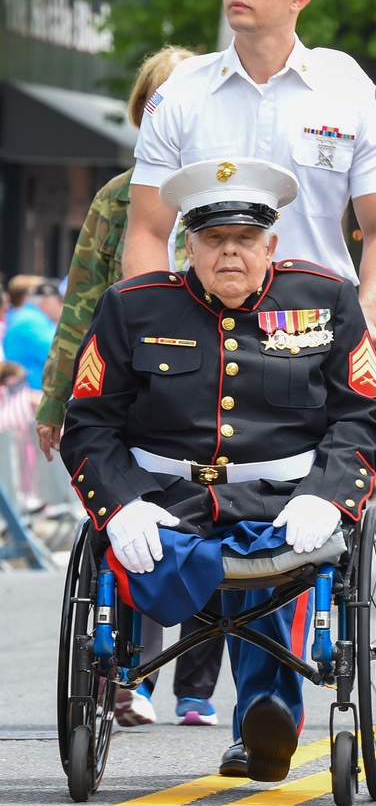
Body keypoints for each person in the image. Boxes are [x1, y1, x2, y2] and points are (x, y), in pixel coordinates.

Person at [59, 157, 376, 781]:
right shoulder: (132, 308)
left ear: (273, 245)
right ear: (189, 245)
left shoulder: (325, 299)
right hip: (166, 500)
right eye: (214, 240)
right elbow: (90, 425)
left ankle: (266, 714)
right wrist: (122, 503)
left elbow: (361, 416)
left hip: (282, 497)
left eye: (245, 240)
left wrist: (327, 496)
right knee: (172, 556)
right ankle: (241, 705)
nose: (229, 253)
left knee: (277, 561)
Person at [35, 45, 227, 729]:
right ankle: (127, 673)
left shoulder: (227, 192)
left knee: (214, 520)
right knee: (134, 523)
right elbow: (82, 302)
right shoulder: (118, 198)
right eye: (159, 102)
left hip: (217, 386)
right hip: (133, 382)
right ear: (145, 113)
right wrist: (57, 398)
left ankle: (198, 687)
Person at [122, 0, 376, 357]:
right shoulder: (182, 90)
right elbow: (146, 232)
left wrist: (366, 318)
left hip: (319, 329)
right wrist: (155, 327)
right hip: (201, 324)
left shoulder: (348, 89)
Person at [3, 279, 62, 391]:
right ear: (47, 301)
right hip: (30, 397)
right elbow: (62, 355)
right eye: (61, 301)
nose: (63, 306)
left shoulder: (29, 317)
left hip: (28, 393)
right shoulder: (31, 322)